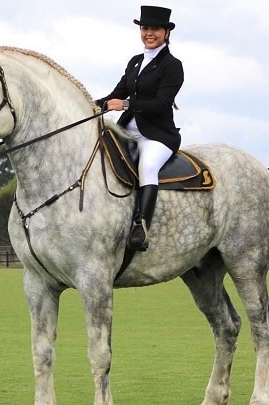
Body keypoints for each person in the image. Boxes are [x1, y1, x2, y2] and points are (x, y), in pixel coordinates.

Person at [95, 5, 184, 251]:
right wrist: (89, 106)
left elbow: (161, 104)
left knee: (147, 166)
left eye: (155, 28)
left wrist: (125, 104)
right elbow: (115, 95)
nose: (149, 33)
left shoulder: (172, 65)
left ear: (166, 32)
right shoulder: (136, 62)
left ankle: (141, 225)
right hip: (128, 130)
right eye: (145, 28)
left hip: (157, 135)